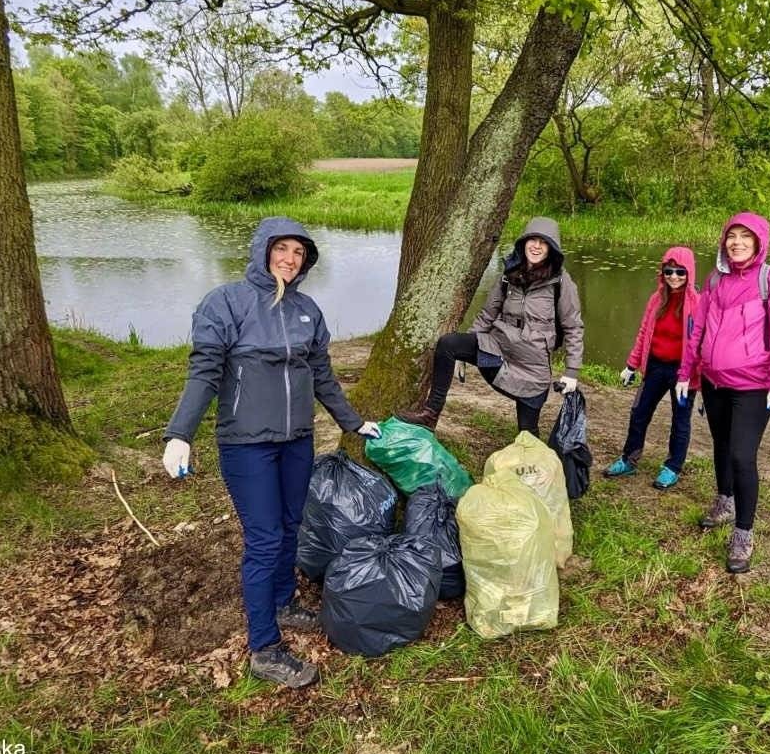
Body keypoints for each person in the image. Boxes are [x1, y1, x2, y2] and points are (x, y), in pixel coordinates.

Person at [160, 217, 382, 689]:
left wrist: (353, 421)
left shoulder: (308, 310)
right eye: (281, 248)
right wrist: (179, 433)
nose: (289, 258)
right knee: (263, 540)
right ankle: (264, 647)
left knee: (290, 526)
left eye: (298, 253)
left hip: (296, 440)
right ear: (262, 250)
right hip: (247, 445)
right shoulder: (226, 303)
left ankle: (284, 602)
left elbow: (322, 375)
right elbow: (203, 372)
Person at [676, 213, 770, 574]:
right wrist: (687, 373)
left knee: (743, 456)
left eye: (746, 237)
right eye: (732, 236)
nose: (737, 243)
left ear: (759, 242)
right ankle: (724, 501)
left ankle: (743, 533)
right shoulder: (716, 279)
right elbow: (696, 331)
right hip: (714, 383)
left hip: (753, 387)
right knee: (721, 446)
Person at [398, 216, 584, 436]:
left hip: (533, 367)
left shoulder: (561, 282)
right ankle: (430, 413)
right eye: (532, 240)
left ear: (551, 248)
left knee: (527, 434)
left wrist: (571, 372)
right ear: (523, 243)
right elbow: (488, 314)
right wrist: (464, 351)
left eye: (543, 242)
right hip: (498, 350)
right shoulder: (509, 274)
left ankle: (534, 460)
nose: (536, 246)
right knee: (449, 344)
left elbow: (573, 327)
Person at [602, 247, 700, 490]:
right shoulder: (656, 299)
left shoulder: (698, 303)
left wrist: (693, 376)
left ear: (689, 273)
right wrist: (631, 365)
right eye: (669, 271)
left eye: (680, 272)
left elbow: (700, 343)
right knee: (639, 413)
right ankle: (629, 459)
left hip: (682, 372)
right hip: (655, 366)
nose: (674, 277)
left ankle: (673, 467)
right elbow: (644, 333)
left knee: (680, 420)